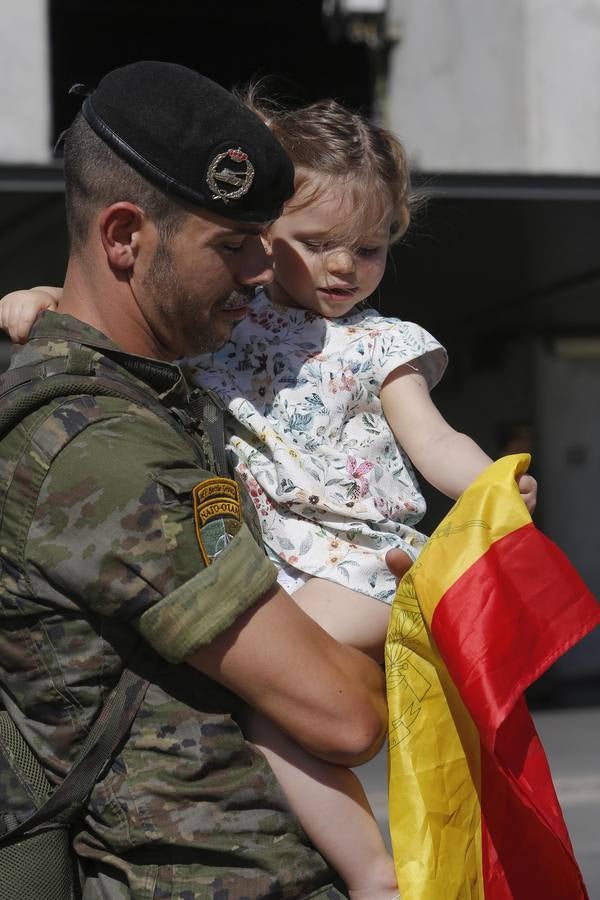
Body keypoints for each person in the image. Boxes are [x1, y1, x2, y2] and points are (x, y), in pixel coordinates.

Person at [1, 95, 538, 898]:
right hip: (276, 603)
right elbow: (342, 717)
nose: (340, 268)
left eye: (369, 248)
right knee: (290, 717)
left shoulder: (371, 343)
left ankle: (374, 877)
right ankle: (375, 876)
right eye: (307, 244)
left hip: (356, 559)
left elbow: (431, 441)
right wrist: (42, 298)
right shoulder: (165, 378)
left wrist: (494, 489)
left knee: (281, 710)